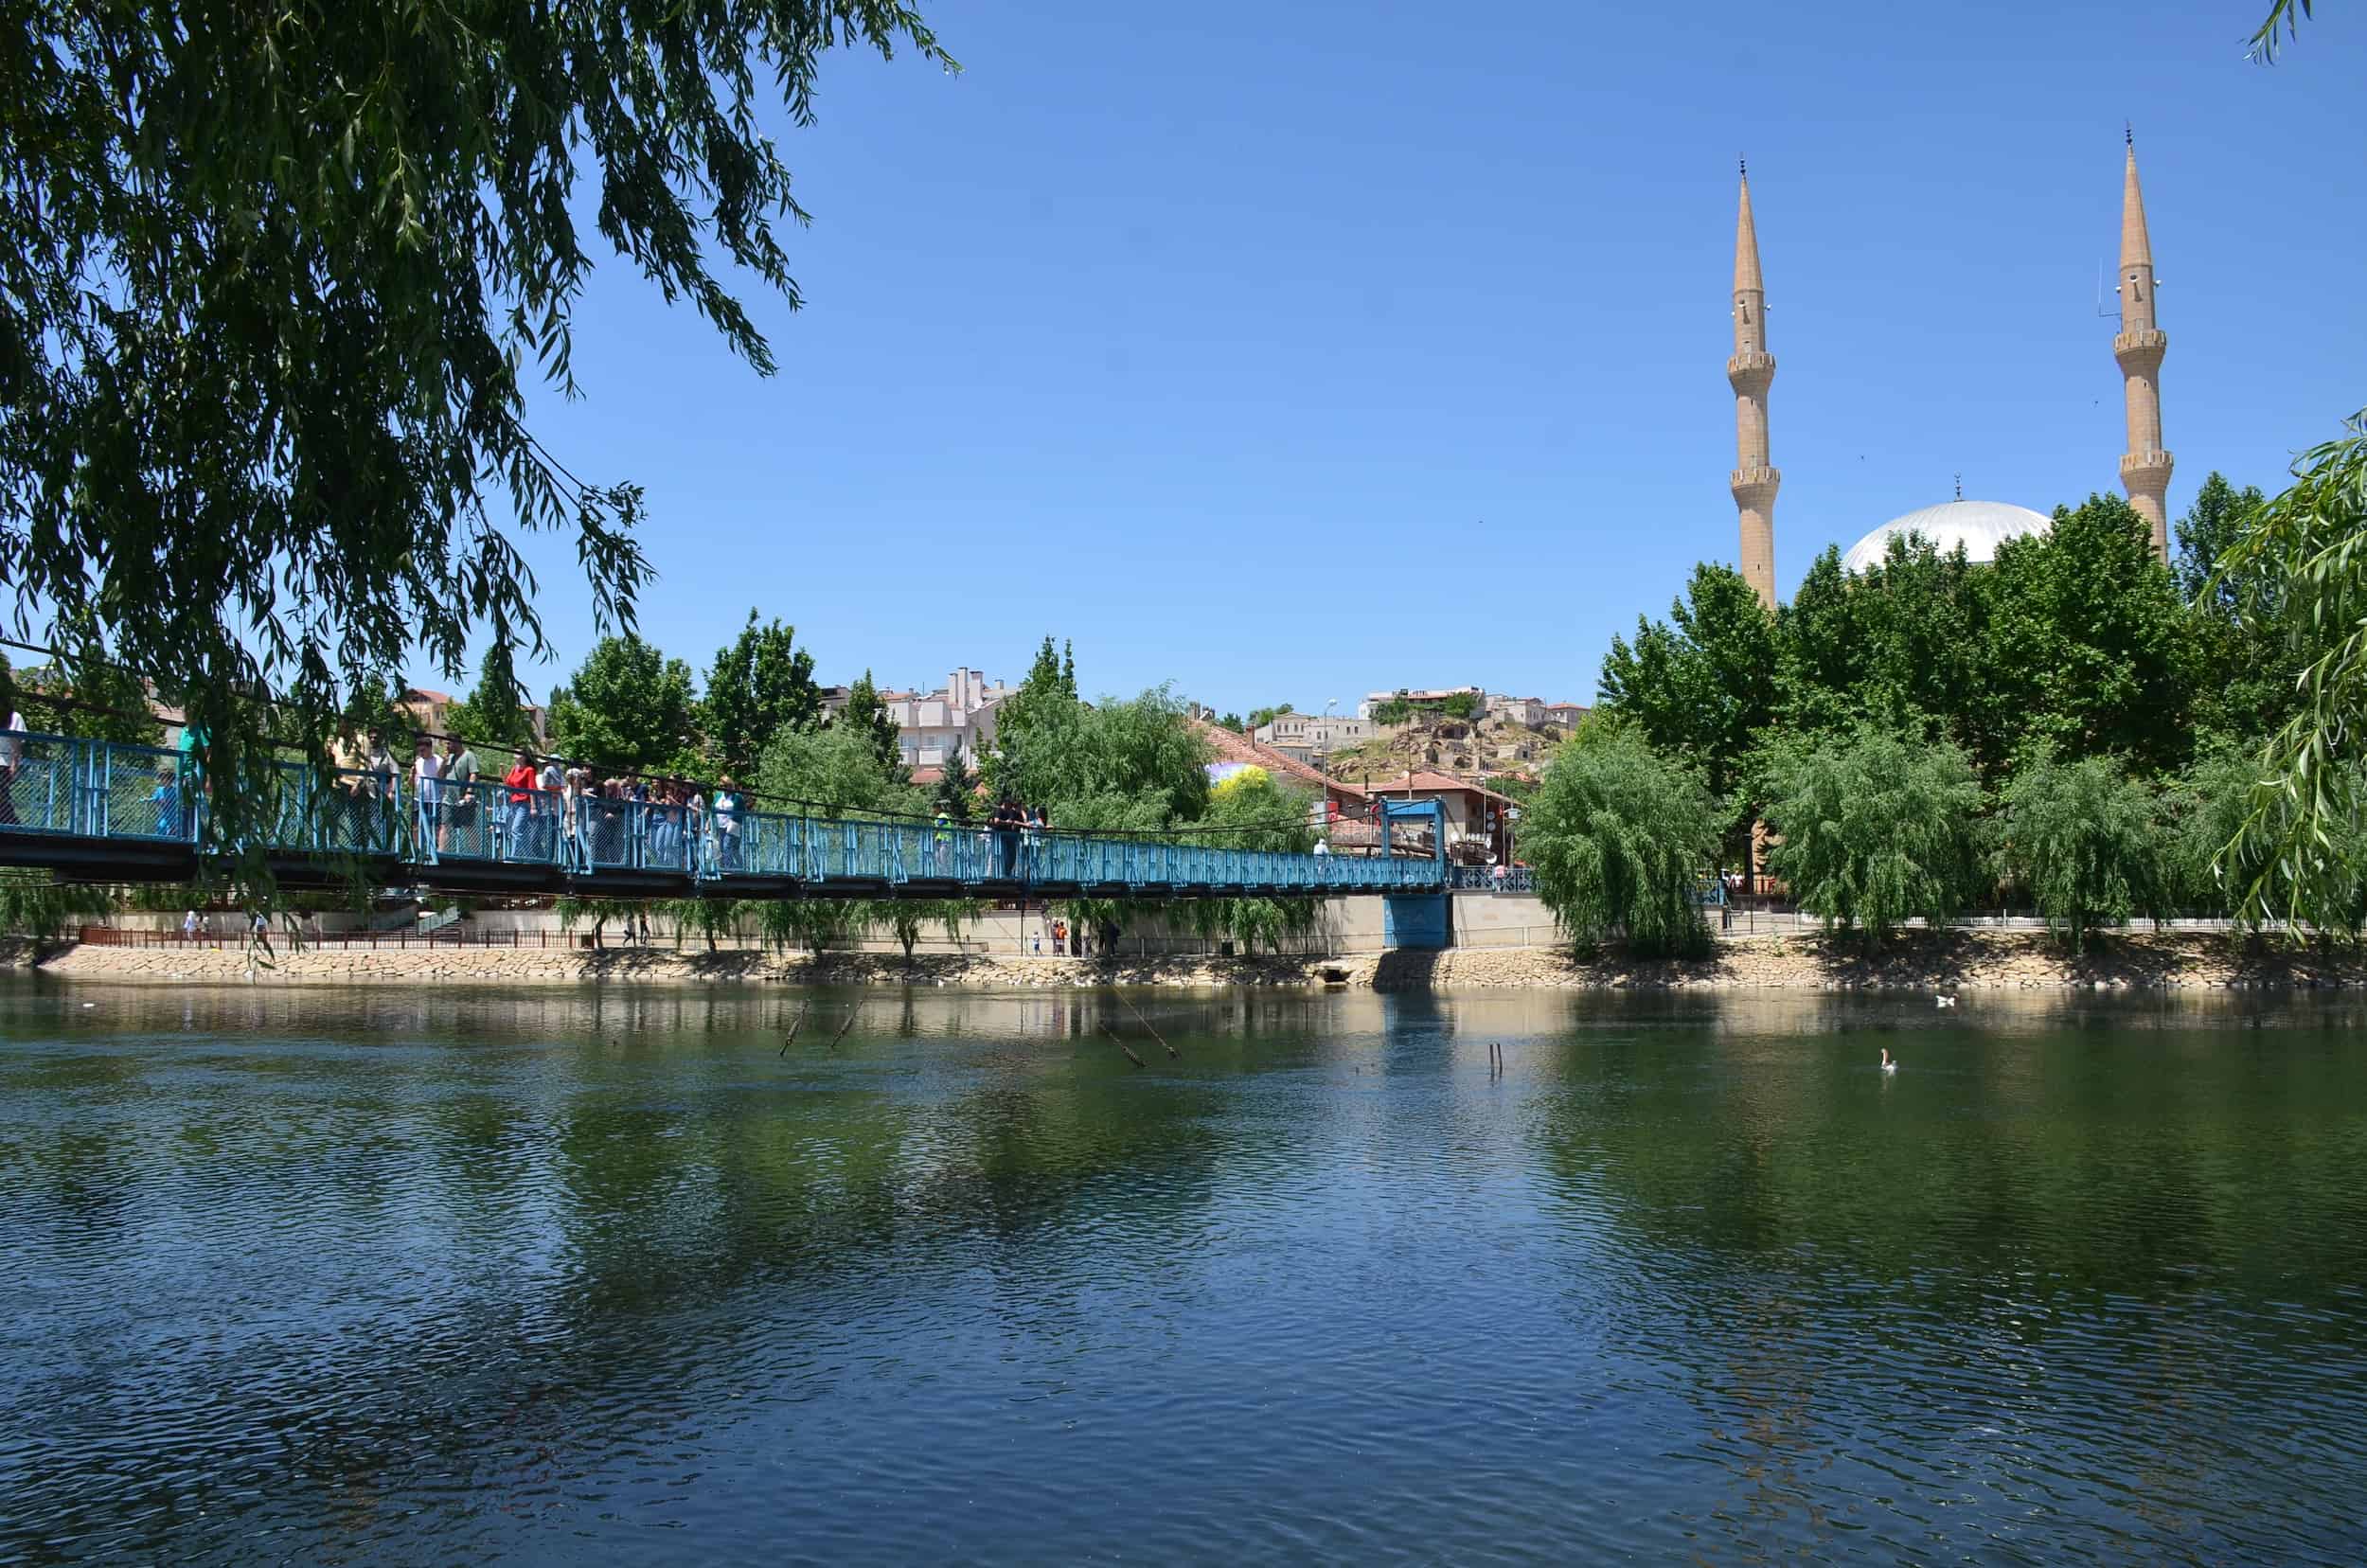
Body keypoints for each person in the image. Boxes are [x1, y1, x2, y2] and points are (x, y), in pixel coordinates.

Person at [442, 736, 478, 852]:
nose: (447, 747)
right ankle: (441, 853)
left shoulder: (469, 755)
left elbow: (474, 774)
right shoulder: (450, 758)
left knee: (468, 827)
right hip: (448, 798)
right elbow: (440, 776)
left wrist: (469, 792)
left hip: (464, 799)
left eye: (449, 744)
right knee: (445, 825)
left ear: (456, 743)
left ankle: (477, 855)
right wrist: (443, 761)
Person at [503, 752, 538, 860]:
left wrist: (533, 806)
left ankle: (514, 857)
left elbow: (532, 788)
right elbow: (508, 784)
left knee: (516, 829)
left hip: (525, 803)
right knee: (519, 832)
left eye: (518, 753)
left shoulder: (529, 770)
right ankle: (529, 857)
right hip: (514, 803)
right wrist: (502, 772)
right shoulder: (515, 769)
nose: (515, 755)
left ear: (524, 757)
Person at [412, 735, 441, 845]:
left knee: (435, 826)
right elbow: (412, 782)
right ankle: (417, 849)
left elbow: (442, 778)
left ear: (430, 748)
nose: (421, 753)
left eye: (423, 750)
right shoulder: (418, 762)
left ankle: (435, 849)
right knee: (415, 825)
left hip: (435, 800)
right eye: (419, 751)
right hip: (418, 799)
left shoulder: (439, 761)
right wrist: (411, 776)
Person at [713, 776, 742, 869]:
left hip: (732, 825)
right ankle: (740, 867)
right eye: (720, 785)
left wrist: (735, 821)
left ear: (729, 786)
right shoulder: (718, 795)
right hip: (720, 825)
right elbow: (713, 809)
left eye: (724, 785)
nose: (721, 787)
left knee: (727, 846)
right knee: (723, 849)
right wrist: (708, 824)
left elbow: (742, 812)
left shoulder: (737, 797)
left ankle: (729, 869)